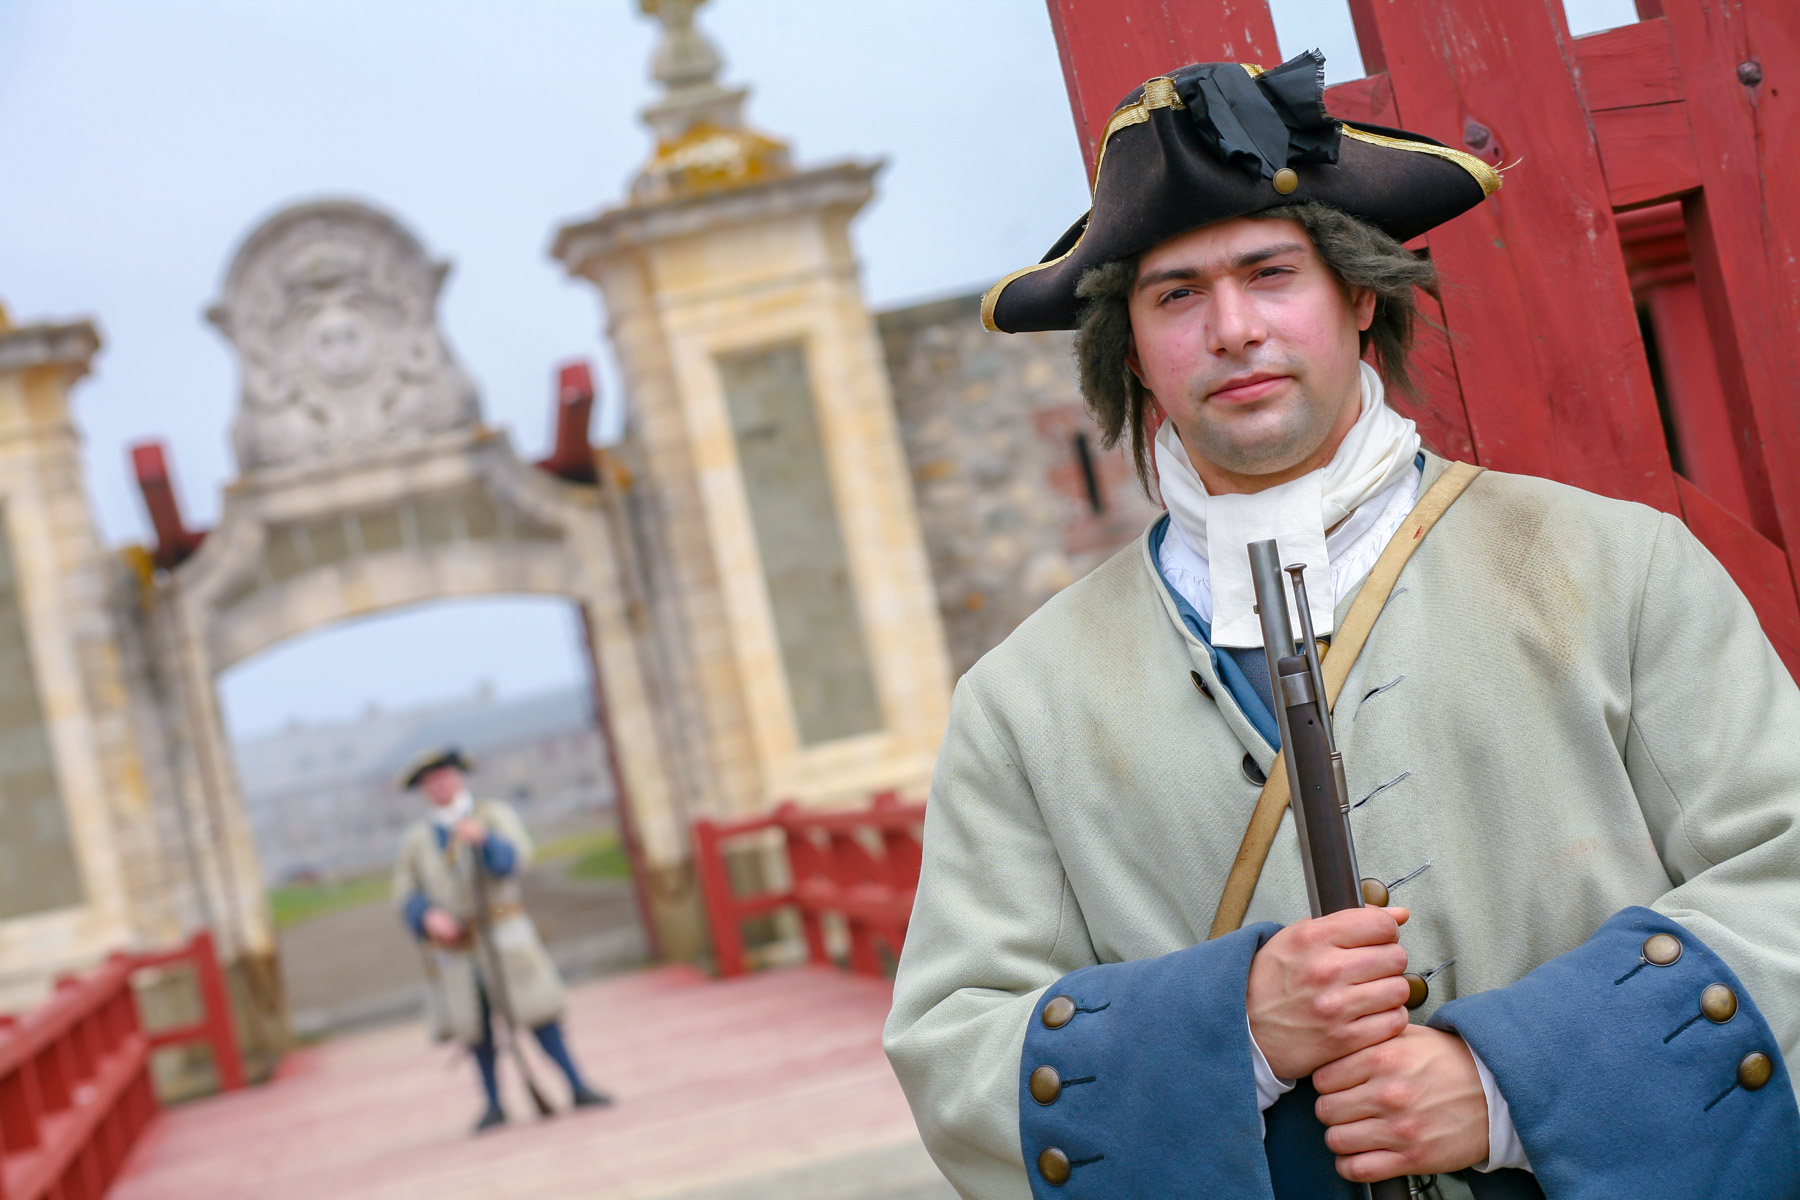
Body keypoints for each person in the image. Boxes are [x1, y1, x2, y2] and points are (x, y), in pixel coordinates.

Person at [883, 51, 1800, 1200]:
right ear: (1131, 350)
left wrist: (1514, 1084)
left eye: (1272, 272)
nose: (1231, 329)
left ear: (1358, 295)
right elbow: (953, 1053)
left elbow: (1788, 882)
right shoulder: (1021, 705)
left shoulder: (1617, 568)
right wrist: (1237, 1033)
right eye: (1176, 295)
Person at [392, 746, 612, 1132]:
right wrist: (427, 915)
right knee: (475, 1029)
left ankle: (577, 1085)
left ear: (457, 778)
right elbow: (405, 891)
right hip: (460, 947)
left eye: (445, 777)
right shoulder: (418, 839)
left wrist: (485, 841)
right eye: (431, 781)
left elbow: (514, 861)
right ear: (424, 789)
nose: (440, 786)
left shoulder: (492, 817)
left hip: (504, 934)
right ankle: (494, 1103)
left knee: (540, 1015)